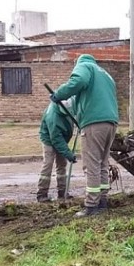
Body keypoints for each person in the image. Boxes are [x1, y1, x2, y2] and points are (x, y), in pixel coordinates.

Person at [51, 54, 119, 217]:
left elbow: (78, 81)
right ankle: (102, 201)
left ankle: (91, 206)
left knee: (91, 164)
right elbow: (80, 100)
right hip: (111, 122)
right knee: (102, 163)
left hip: (94, 122)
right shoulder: (106, 75)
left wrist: (59, 94)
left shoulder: (85, 67)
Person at [37, 97, 76, 202]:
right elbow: (56, 139)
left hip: (62, 138)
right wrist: (69, 154)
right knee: (48, 164)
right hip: (49, 139)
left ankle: (62, 192)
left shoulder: (69, 105)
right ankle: (42, 193)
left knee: (61, 164)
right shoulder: (52, 117)